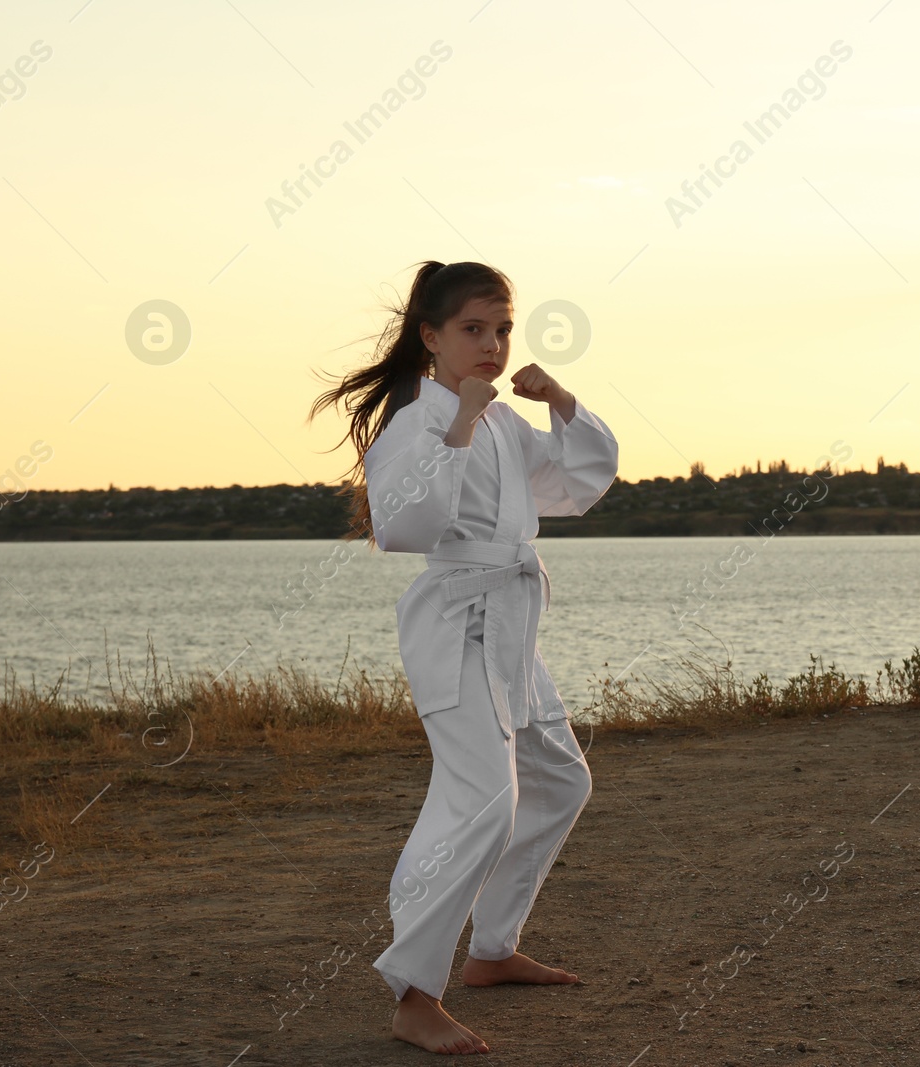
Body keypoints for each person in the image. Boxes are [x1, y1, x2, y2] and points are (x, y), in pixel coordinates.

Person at [309, 260, 619, 1055]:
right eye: (474, 329)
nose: (493, 344)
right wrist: (458, 425)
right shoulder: (419, 421)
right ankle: (414, 992)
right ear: (431, 337)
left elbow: (575, 486)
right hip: (455, 626)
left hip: (511, 622)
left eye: (504, 329)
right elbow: (406, 525)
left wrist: (561, 404)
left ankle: (491, 950)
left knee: (560, 779)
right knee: (483, 801)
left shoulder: (507, 424)